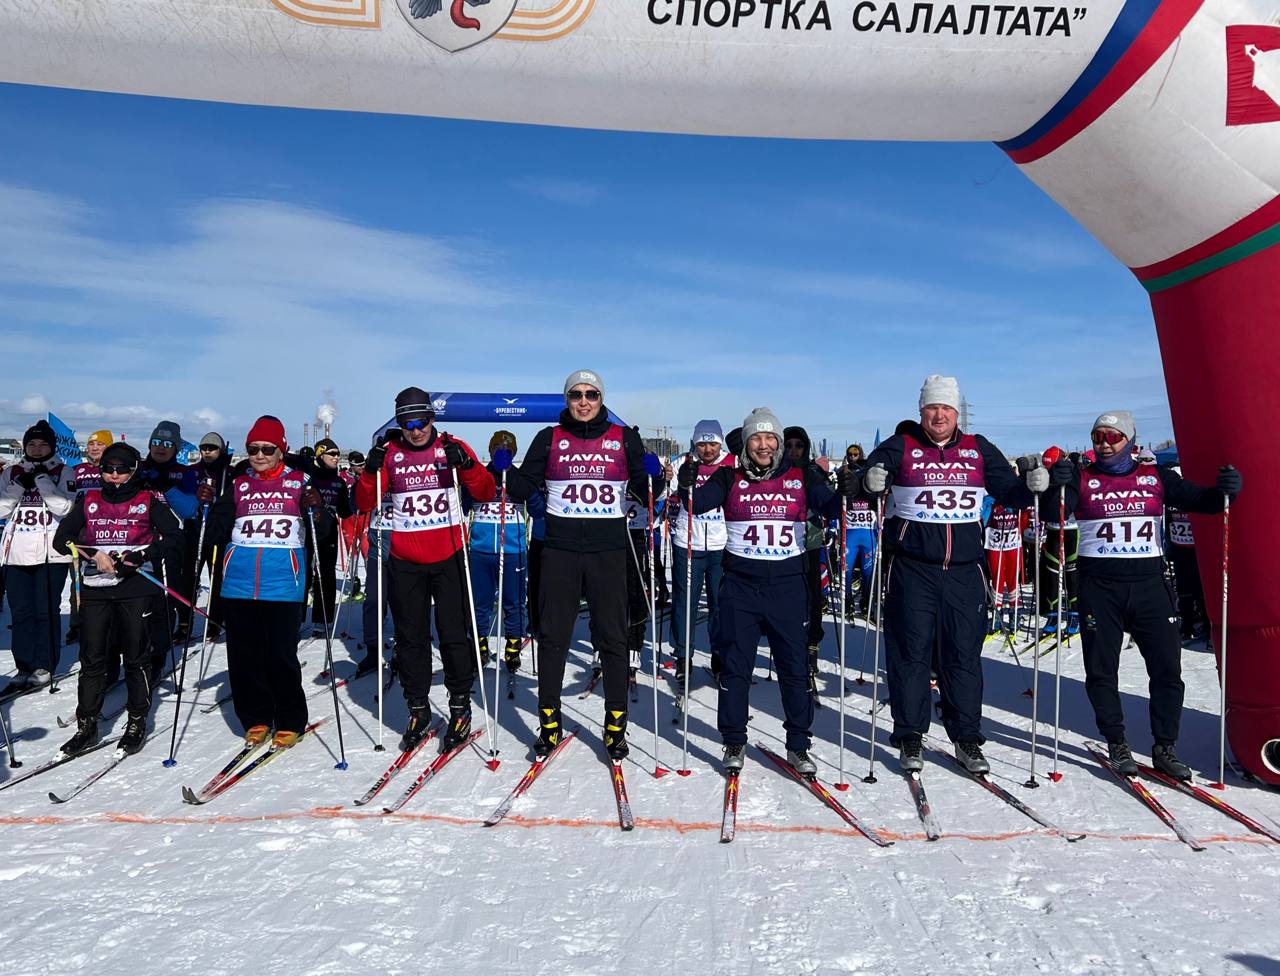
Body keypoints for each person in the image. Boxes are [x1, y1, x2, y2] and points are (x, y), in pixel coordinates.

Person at [1042, 411, 1240, 779]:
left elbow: (1203, 501)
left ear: (1129, 440)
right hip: (1100, 586)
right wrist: (1057, 483)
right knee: (1102, 669)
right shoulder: (1084, 479)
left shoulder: (1156, 477)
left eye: (1112, 436)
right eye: (1097, 436)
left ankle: (1165, 746)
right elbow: (1053, 512)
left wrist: (1226, 490)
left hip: (1149, 583)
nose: (1103, 443)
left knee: (1167, 669)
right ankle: (1116, 742)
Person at [862, 376, 1038, 774]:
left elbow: (1010, 492)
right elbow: (869, 479)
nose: (939, 415)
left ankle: (967, 737)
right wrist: (868, 478)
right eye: (931, 408)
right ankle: (910, 734)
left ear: (957, 412)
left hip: (964, 571)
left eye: (946, 408)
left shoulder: (978, 449)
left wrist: (1033, 485)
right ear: (920, 411)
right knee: (911, 656)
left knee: (962, 657)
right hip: (913, 569)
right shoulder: (902, 446)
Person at [505, 369, 664, 760]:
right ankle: (549, 724)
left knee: (612, 639)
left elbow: (648, 494)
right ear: (567, 398)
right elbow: (523, 489)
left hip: (608, 553)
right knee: (553, 638)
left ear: (601, 398)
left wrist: (654, 476)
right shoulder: (549, 438)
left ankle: (615, 726)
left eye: (591, 394)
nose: (584, 401)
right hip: (559, 552)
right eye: (576, 394)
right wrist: (505, 469)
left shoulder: (622, 437)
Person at [683, 407, 850, 775]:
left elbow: (831, 506)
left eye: (769, 438)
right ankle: (733, 739)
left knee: (793, 669)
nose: (763, 444)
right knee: (735, 667)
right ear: (746, 443)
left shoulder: (800, 476)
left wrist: (852, 489)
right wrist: (686, 480)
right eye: (755, 438)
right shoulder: (730, 477)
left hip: (787, 587)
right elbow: (698, 503)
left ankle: (798, 745)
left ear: (777, 443)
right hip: (741, 586)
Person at [353, 388, 495, 754]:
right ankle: (418, 709)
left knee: (452, 635)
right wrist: (369, 472)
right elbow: (363, 502)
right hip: (406, 561)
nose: (416, 430)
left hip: (449, 556)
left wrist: (466, 464)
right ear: (399, 423)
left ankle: (460, 708)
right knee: (411, 638)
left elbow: (486, 491)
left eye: (422, 421)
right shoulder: (390, 454)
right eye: (407, 423)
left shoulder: (450, 445)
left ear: (433, 419)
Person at [203, 416, 327, 748]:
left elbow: (322, 530)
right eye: (253, 449)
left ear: (281, 450)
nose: (259, 455)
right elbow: (215, 532)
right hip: (239, 582)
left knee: (279, 655)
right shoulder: (239, 484)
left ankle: (289, 719)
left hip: (283, 582)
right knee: (244, 656)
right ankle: (256, 717)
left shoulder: (299, 481)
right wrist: (209, 505)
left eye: (267, 449)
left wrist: (318, 510)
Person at [53, 442, 183, 755]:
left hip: (136, 588)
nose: (114, 475)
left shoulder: (147, 499)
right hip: (97, 588)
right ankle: (87, 725)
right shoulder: (89, 499)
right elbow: (61, 540)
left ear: (133, 469)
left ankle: (136, 721)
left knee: (136, 657)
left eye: (121, 468)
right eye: (108, 468)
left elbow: (176, 536)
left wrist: (141, 556)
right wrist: (92, 552)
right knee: (93, 657)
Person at [0, 420, 77, 691]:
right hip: (16, 551)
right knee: (20, 612)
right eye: (31, 443)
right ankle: (23, 665)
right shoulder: (12, 471)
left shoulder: (63, 470)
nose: (36, 448)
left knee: (46, 609)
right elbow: (1, 510)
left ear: (51, 446)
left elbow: (65, 508)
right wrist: (19, 485)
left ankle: (44, 664)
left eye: (42, 444)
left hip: (50, 553)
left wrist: (43, 482)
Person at [467, 430, 544, 672]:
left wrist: (521, 484)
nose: (502, 453)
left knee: (515, 602)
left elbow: (538, 509)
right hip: (481, 549)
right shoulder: (480, 475)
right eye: (497, 450)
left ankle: (513, 645)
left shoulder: (520, 477)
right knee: (481, 602)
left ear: (513, 454)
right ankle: (479, 644)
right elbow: (463, 501)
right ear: (490, 451)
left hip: (513, 548)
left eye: (507, 451)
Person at [665, 419, 734, 678]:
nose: (707, 450)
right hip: (688, 541)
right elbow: (661, 493)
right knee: (685, 602)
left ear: (720, 442)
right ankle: (683, 656)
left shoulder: (732, 463)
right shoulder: (683, 461)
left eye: (712, 443)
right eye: (702, 443)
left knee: (720, 604)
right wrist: (665, 479)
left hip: (721, 544)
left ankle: (719, 656)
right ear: (695, 443)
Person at [138, 420, 198, 676]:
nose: (161, 448)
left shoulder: (184, 473)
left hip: (170, 543)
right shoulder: (138, 467)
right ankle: (135, 650)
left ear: (175, 448)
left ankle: (158, 654)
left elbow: (189, 509)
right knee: (138, 599)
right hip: (138, 541)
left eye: (167, 444)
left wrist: (166, 486)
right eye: (156, 443)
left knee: (165, 598)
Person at [783, 427, 828, 672]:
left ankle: (811, 645)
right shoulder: (776, 470)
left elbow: (826, 499)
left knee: (813, 596)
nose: (792, 450)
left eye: (798, 445)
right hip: (782, 545)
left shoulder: (812, 471)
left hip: (808, 542)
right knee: (788, 598)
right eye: (788, 445)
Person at [65, 428, 114, 644]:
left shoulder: (113, 470)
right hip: (80, 529)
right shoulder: (78, 470)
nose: (94, 448)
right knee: (77, 576)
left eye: (99, 444)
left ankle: (107, 621)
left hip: (105, 528)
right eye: (91, 444)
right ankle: (77, 623)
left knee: (103, 575)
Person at [184, 432, 233, 642]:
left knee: (218, 579)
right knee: (190, 577)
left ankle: (215, 620)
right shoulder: (192, 471)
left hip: (220, 533)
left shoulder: (228, 472)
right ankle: (184, 622)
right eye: (203, 447)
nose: (206, 451)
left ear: (221, 450)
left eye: (211, 448)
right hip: (196, 529)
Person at [303, 437, 353, 638]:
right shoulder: (309, 479)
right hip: (306, 531)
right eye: (331, 454)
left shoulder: (339, 481)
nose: (336, 457)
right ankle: (297, 617)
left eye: (337, 454)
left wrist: (354, 505)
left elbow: (345, 511)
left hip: (329, 532)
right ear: (319, 456)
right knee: (304, 574)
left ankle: (323, 618)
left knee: (326, 575)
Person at [839, 445, 876, 618]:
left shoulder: (870, 483)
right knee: (845, 571)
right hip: (850, 535)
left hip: (869, 535)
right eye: (850, 455)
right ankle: (847, 603)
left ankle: (867, 603)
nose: (853, 457)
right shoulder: (843, 476)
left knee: (869, 573)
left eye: (856, 454)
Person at [984, 501, 1027, 634]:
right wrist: (993, 504)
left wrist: (1021, 510)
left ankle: (1015, 613)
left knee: (1013, 579)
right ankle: (997, 614)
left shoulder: (1016, 498)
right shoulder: (990, 498)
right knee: (997, 580)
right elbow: (983, 518)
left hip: (1013, 545)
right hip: (995, 546)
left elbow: (1024, 521)